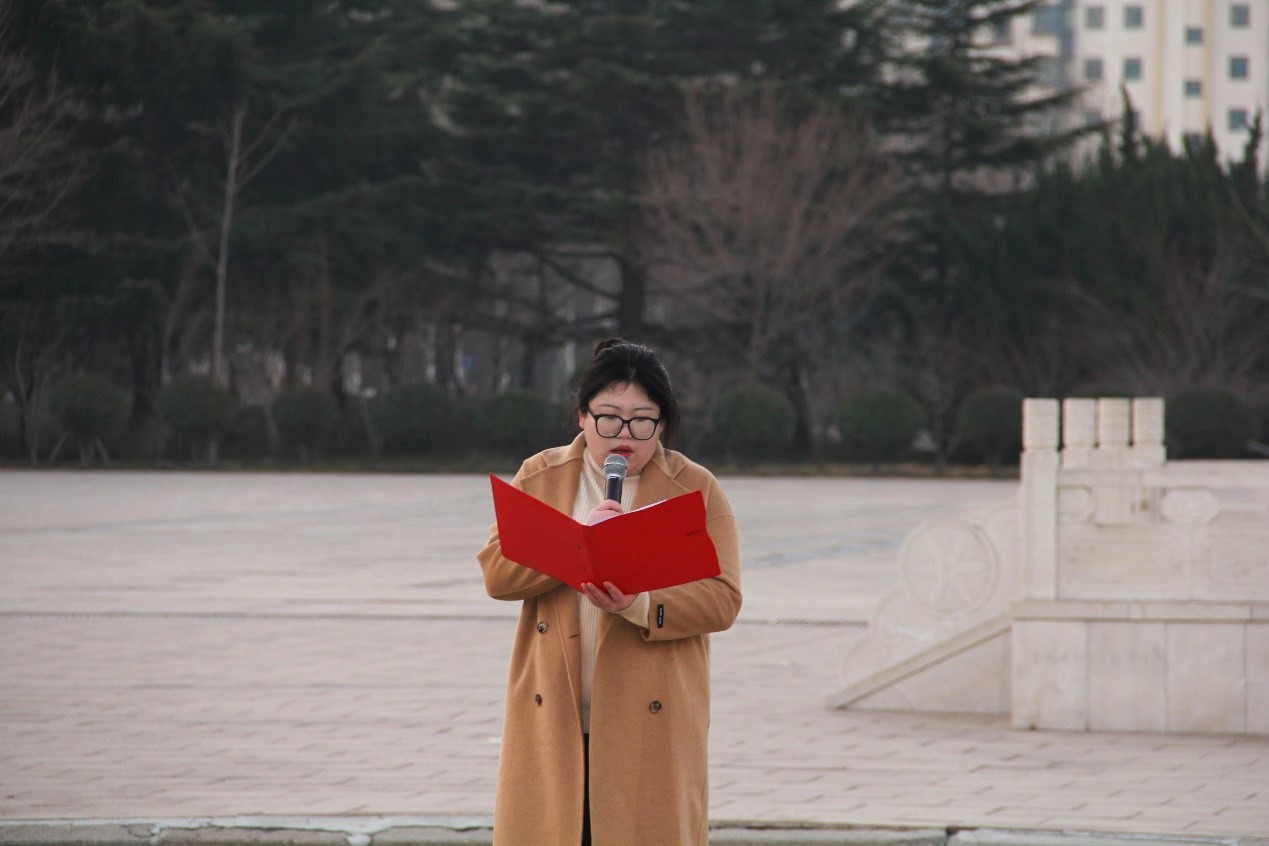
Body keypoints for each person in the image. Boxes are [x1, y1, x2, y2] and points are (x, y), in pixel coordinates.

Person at [477, 338, 743, 845]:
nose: (624, 435)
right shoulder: (541, 475)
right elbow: (497, 575)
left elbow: (723, 598)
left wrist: (640, 605)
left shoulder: (695, 487)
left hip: (649, 716)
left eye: (642, 420)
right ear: (582, 415)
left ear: (662, 424)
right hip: (554, 710)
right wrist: (578, 541)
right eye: (609, 418)